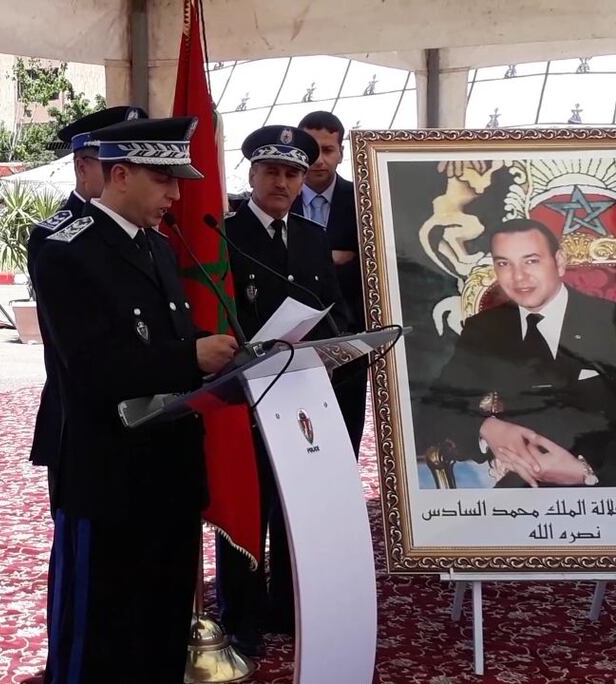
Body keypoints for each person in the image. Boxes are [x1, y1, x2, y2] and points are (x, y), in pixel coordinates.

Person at [33, 116, 240, 682]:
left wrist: (230, 352)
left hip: (170, 471)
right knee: (101, 636)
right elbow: (91, 368)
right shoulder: (66, 250)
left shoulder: (158, 245)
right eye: (164, 179)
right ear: (120, 175)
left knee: (160, 629)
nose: (176, 195)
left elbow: (169, 338)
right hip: (109, 476)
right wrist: (191, 357)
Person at [216, 124, 350, 657]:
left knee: (296, 507)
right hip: (244, 397)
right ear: (251, 174)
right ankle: (240, 618)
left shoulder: (313, 238)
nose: (282, 183)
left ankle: (287, 605)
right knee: (247, 508)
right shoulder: (225, 234)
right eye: (271, 171)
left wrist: (337, 348)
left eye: (292, 173)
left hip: (300, 394)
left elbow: (334, 310)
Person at [424, 218, 616, 487]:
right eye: (504, 264)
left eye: (531, 261)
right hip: (520, 487)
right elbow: (432, 408)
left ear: (559, 262)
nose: (519, 277)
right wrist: (486, 428)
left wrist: (586, 473)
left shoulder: (609, 322)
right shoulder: (485, 329)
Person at [27, 106, 148, 507]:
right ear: (82, 167)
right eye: (115, 162)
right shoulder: (57, 238)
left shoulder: (146, 231)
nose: (128, 175)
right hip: (79, 412)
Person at [291, 110, 368, 456]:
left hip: (348, 338)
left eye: (328, 150)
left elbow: (374, 266)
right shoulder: (279, 197)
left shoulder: (365, 201)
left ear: (341, 152)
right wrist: (330, 257)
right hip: (290, 343)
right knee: (297, 441)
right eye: (312, 150)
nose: (319, 160)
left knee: (346, 437)